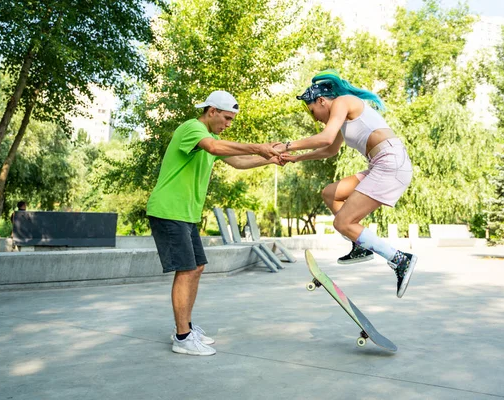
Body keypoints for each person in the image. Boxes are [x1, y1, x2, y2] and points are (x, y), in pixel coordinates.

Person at [147, 90, 282, 356]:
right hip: (168, 210)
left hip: (185, 213)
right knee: (185, 270)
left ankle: (185, 327)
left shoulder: (213, 137)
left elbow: (239, 161)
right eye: (227, 118)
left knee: (196, 267)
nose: (228, 124)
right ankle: (182, 337)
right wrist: (259, 146)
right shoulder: (192, 128)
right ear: (211, 111)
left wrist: (271, 158)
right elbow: (213, 147)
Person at [275, 70, 417, 299]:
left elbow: (325, 137)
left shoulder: (343, 102)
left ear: (321, 100)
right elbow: (330, 149)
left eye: (313, 112)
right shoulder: (341, 118)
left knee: (343, 222)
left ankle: (400, 259)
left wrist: (287, 146)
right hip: (380, 164)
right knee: (331, 193)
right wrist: (296, 158)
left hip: (390, 164)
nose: (316, 119)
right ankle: (359, 244)